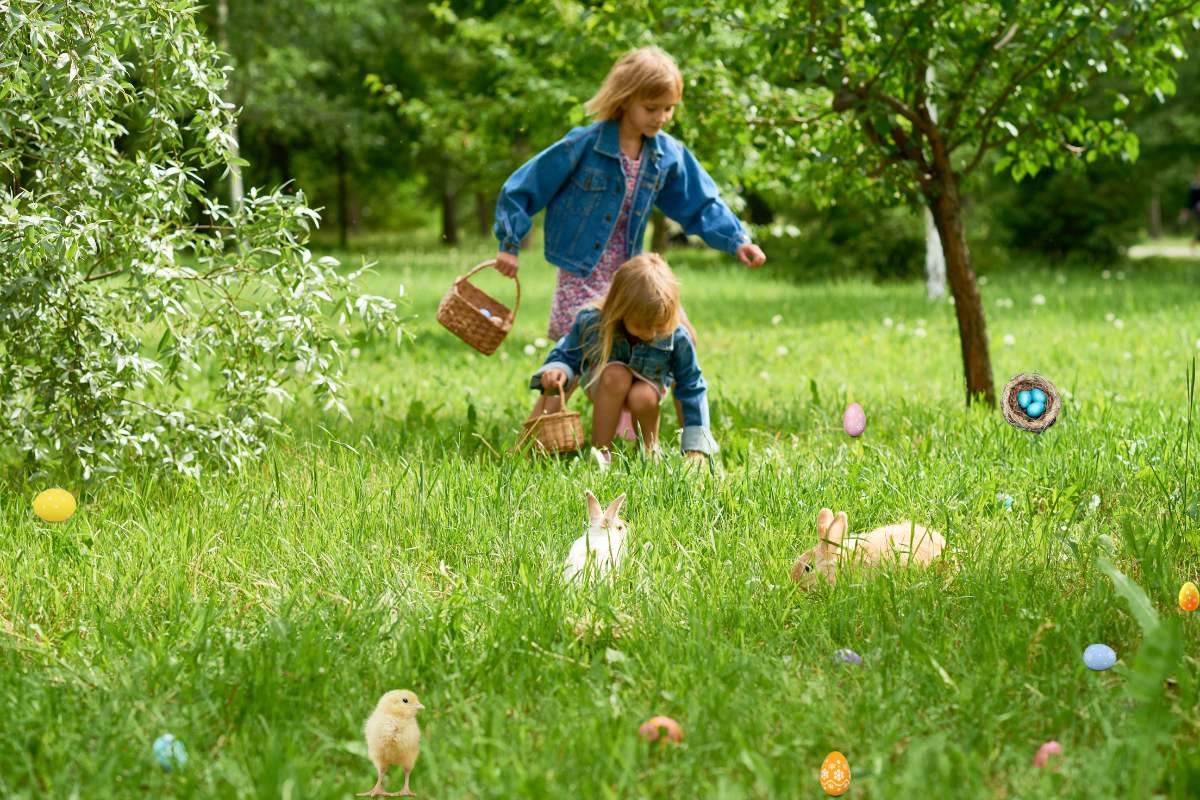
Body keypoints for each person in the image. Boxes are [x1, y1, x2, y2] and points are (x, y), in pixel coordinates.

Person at [493, 45, 765, 432]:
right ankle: (541, 432)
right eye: (651, 108)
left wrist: (736, 239)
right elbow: (525, 186)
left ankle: (689, 438)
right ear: (625, 99)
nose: (661, 117)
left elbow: (701, 201)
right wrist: (510, 242)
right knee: (578, 349)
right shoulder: (583, 146)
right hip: (582, 270)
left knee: (676, 334)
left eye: (668, 108)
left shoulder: (664, 156)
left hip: (628, 272)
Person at [530, 254, 716, 466]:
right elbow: (567, 353)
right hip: (606, 385)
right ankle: (601, 453)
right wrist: (559, 369)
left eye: (657, 326)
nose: (650, 334)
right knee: (615, 374)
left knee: (643, 395)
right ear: (620, 309)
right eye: (642, 325)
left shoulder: (676, 336)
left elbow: (691, 386)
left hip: (648, 390)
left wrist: (696, 447)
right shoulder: (594, 322)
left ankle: (648, 450)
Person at [1181, 166, 1200, 250]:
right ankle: (1193, 243)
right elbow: (1190, 201)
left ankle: (1193, 243)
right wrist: (1185, 212)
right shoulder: (1195, 186)